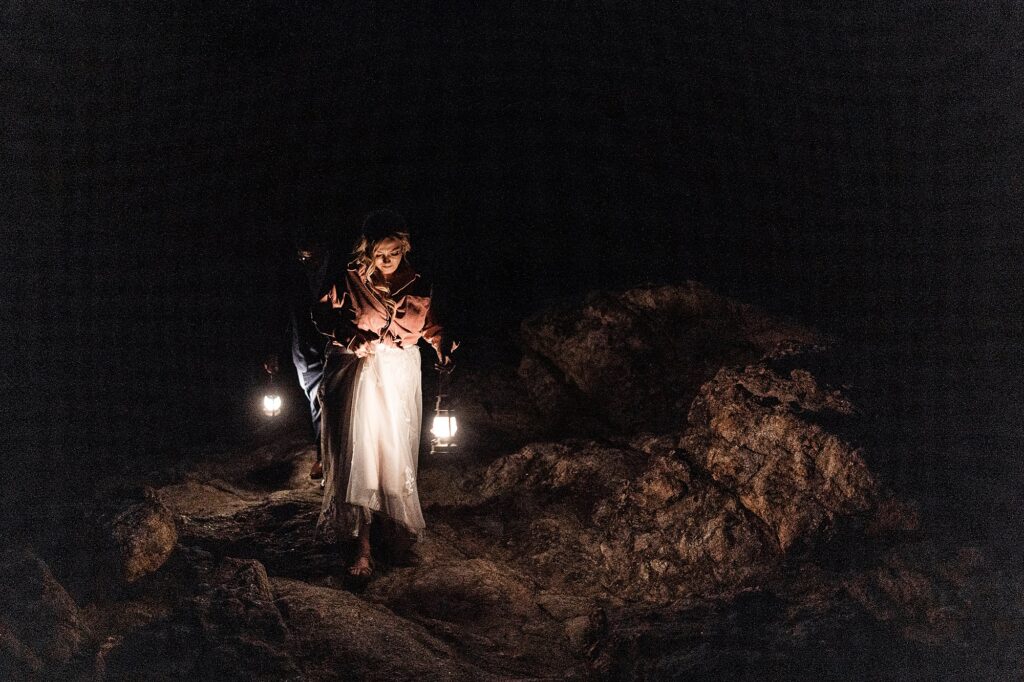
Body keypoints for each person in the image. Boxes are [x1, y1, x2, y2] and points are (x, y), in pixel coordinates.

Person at [313, 210, 455, 577]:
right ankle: (361, 546)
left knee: (393, 456)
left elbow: (430, 324)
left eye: (393, 252)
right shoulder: (349, 280)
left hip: (400, 374)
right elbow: (322, 314)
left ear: (404, 248)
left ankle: (391, 533)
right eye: (379, 254)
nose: (387, 260)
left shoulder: (419, 284)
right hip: (360, 371)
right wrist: (350, 335)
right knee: (361, 456)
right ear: (367, 252)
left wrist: (442, 344)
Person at [264, 232, 333, 480]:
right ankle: (324, 458)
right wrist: (273, 349)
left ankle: (341, 457)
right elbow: (282, 310)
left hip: (339, 343)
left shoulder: (339, 266)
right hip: (305, 347)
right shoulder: (291, 272)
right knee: (317, 402)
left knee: (341, 400)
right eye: (303, 257)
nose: (307, 260)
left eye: (312, 255)